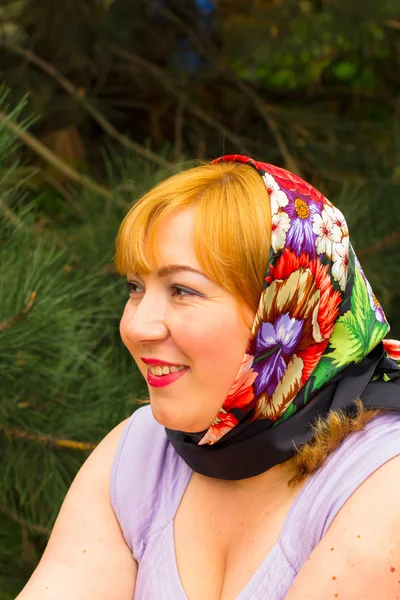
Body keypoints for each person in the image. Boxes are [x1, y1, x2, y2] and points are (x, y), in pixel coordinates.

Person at [17, 155, 400, 600]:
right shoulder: (139, 456)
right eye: (135, 288)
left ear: (285, 311)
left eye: (182, 290)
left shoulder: (383, 478)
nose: (138, 326)